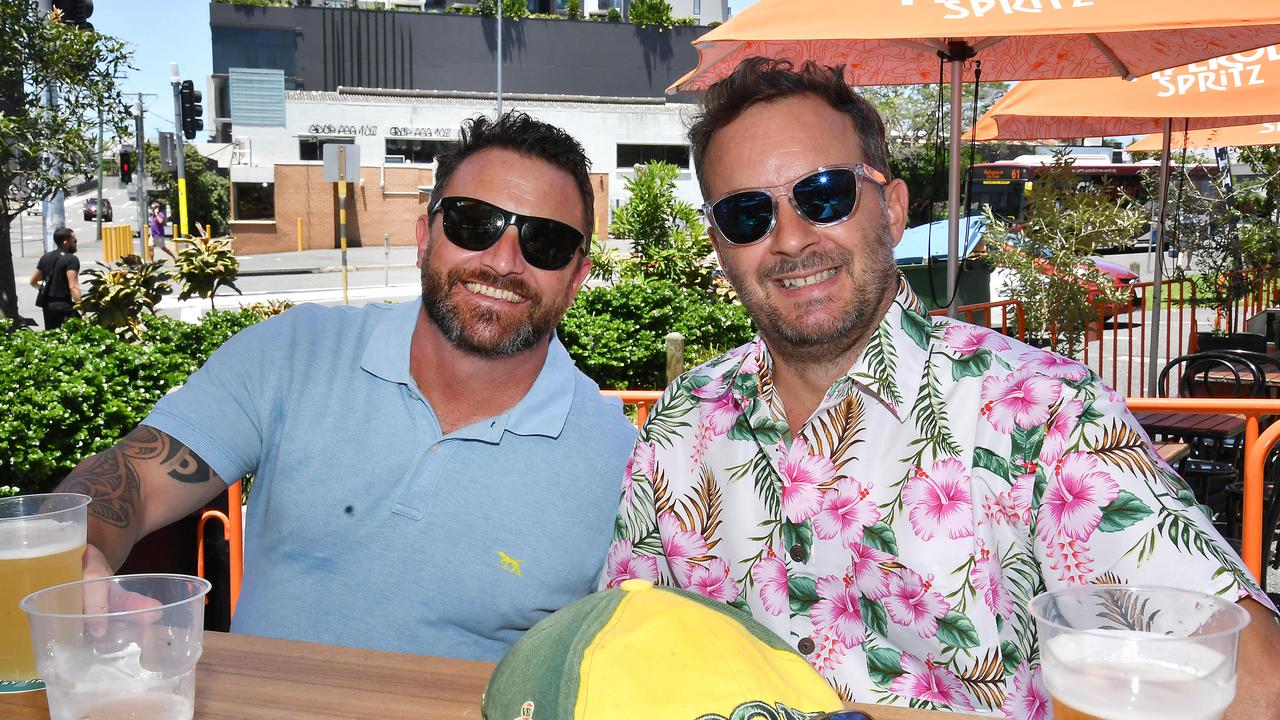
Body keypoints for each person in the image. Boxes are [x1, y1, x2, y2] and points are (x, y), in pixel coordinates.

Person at [604, 59, 1280, 718]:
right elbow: (616, 650)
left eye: (825, 195)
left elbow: (1250, 676)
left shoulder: (1045, 413)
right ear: (721, 246)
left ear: (893, 211)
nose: (789, 238)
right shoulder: (682, 423)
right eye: (747, 213)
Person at [55, 112, 637, 662]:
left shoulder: (623, 463)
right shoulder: (290, 355)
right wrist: (81, 549)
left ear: (578, 275)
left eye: (547, 242)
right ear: (423, 236)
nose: (504, 260)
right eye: (472, 223)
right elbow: (132, 476)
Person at [29, 227, 81, 330]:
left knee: (52, 336)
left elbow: (33, 281)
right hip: (65, 306)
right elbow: (73, 287)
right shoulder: (71, 260)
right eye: (74, 240)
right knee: (78, 333)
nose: (76, 243)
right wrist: (82, 309)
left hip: (48, 306)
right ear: (66, 242)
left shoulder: (46, 257)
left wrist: (42, 287)